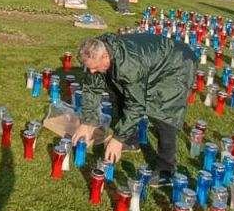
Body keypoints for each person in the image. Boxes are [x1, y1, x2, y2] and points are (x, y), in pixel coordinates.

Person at [71, 32, 196, 184]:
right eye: (89, 68)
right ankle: (131, 140)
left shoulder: (129, 66)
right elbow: (91, 88)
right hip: (152, 59)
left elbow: (136, 105)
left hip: (178, 63)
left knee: (165, 112)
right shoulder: (97, 51)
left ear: (105, 56)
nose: (92, 71)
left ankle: (166, 170)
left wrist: (117, 139)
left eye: (95, 68)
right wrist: (87, 122)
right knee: (120, 94)